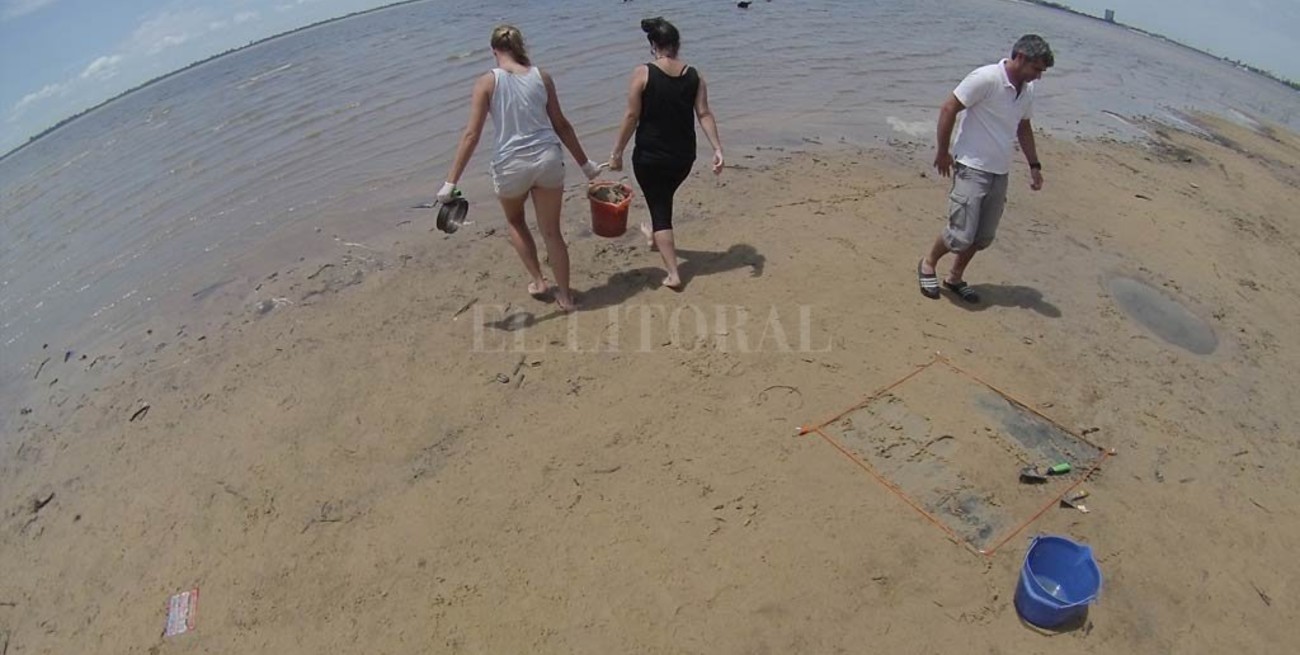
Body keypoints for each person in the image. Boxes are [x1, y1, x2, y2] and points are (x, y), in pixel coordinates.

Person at [438, 24, 603, 312]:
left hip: (510, 165)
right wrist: (586, 165)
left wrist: (450, 183)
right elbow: (561, 124)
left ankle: (539, 282)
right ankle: (565, 297)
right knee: (552, 231)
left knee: (515, 221)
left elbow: (471, 136)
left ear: (494, 52)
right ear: (520, 46)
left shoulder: (487, 83)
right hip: (548, 160)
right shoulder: (543, 77)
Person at [916, 34, 1054, 304]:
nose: (1039, 76)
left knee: (983, 236)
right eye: (1037, 69)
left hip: (999, 171)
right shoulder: (986, 78)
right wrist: (943, 151)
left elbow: (1024, 127)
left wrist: (1034, 165)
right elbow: (949, 108)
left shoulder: (1027, 90)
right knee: (960, 234)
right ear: (1021, 57)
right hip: (972, 166)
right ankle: (928, 263)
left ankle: (955, 277)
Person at [609, 16, 724, 290]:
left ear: (653, 45)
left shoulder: (643, 73)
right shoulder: (695, 75)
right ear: (677, 44)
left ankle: (673, 274)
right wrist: (718, 148)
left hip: (650, 158)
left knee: (661, 211)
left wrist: (617, 152)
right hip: (683, 158)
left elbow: (631, 115)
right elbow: (704, 113)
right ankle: (655, 238)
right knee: (662, 200)